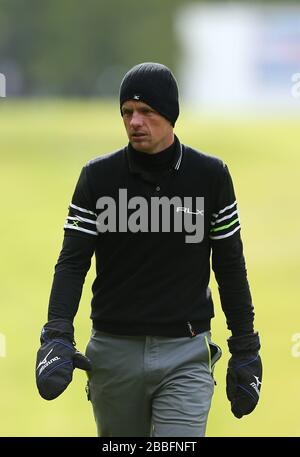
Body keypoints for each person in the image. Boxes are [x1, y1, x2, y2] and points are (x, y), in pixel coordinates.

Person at [35, 62, 262, 437]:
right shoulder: (98, 178)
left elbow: (230, 267)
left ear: (170, 116)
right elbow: (72, 263)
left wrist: (245, 348)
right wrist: (56, 334)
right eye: (127, 112)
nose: (134, 121)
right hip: (112, 352)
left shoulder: (211, 177)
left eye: (146, 112)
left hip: (185, 354)